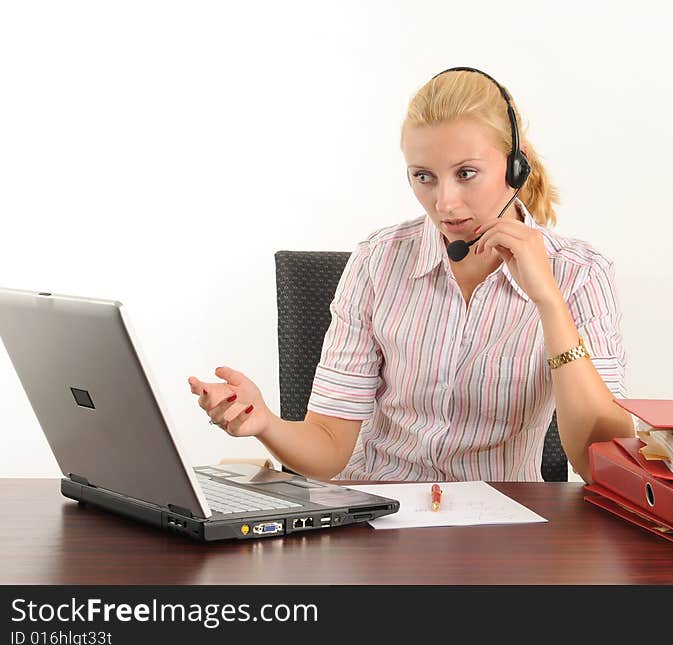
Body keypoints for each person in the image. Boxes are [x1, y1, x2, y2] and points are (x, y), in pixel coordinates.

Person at [188, 67, 634, 482]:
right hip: (378, 512)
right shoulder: (377, 263)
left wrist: (549, 303)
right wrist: (265, 422)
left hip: (501, 525)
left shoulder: (580, 275)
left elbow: (603, 464)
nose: (445, 202)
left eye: (467, 174)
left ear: (516, 167)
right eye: (424, 177)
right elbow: (328, 450)